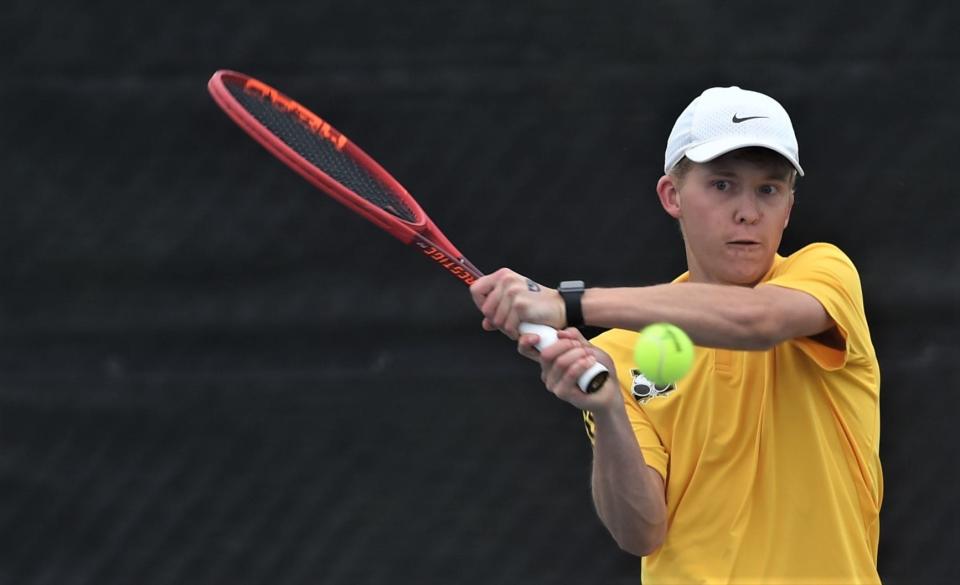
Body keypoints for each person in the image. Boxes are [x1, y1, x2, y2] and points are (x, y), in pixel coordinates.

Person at [469, 86, 882, 584]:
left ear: (789, 207)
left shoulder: (825, 274)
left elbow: (757, 321)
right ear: (672, 196)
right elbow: (640, 532)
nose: (748, 211)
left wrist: (569, 303)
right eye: (723, 185)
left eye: (769, 189)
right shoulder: (617, 353)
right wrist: (607, 410)